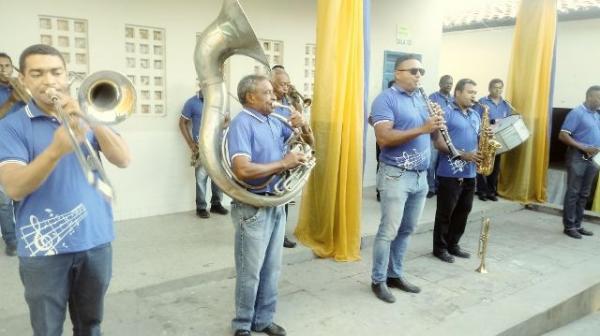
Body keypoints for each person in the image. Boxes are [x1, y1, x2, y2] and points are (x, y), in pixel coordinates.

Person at [0, 44, 131, 335]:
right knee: (47, 329)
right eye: (38, 73)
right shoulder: (11, 126)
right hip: (43, 249)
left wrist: (92, 120)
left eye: (56, 72)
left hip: (95, 239)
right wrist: (54, 151)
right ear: (23, 79)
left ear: (67, 76)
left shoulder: (87, 113)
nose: (49, 81)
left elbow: (123, 158)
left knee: (91, 325)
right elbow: (14, 188)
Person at [227, 74, 313, 336]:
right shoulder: (242, 123)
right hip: (252, 207)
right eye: (267, 93)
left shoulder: (274, 120)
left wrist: (305, 127)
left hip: (276, 203)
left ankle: (263, 319)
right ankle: (242, 324)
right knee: (250, 272)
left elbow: (309, 147)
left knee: (271, 269)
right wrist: (283, 164)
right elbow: (241, 169)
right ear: (250, 97)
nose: (274, 98)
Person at [369, 54, 445, 303]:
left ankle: (395, 274)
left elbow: (434, 138)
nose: (418, 75)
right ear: (397, 73)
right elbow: (384, 138)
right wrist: (422, 127)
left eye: (421, 71)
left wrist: (437, 129)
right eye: (413, 70)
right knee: (388, 231)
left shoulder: (424, 100)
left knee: (407, 229)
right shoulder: (385, 99)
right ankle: (378, 280)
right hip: (395, 174)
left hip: (420, 176)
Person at [432, 78, 486, 263]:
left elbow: (478, 140)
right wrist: (463, 155)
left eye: (475, 93)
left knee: (463, 211)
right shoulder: (445, 112)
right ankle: (439, 248)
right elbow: (438, 143)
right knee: (445, 213)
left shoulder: (475, 115)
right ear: (457, 93)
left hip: (470, 172)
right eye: (470, 92)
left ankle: (453, 244)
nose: (474, 96)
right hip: (449, 172)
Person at [270, 67, 306, 248]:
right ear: (272, 84)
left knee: (283, 197)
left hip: (286, 153)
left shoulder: (288, 102)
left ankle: (280, 235)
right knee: (269, 198)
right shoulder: (267, 102)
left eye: (287, 84)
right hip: (269, 156)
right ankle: (269, 234)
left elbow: (298, 123)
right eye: (282, 84)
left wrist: (298, 112)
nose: (285, 87)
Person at [558, 85, 600, 239]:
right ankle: (569, 226)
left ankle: (578, 224)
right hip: (577, 157)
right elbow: (563, 135)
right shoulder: (577, 113)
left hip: (592, 159)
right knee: (573, 192)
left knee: (584, 193)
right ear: (589, 97)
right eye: (598, 98)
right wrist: (582, 147)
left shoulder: (596, 114)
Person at [179, 87, 228, 218]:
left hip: (218, 146)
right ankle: (201, 207)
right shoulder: (192, 102)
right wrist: (190, 143)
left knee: (218, 178)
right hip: (202, 147)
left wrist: (220, 126)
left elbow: (227, 120)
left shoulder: (220, 102)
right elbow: (182, 123)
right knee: (201, 178)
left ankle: (216, 205)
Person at [0, 52, 24, 256]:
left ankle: (25, 235)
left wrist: (22, 88)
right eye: (0, 66)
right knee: (4, 201)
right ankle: (11, 241)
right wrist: (10, 101)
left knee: (23, 197)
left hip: (23, 148)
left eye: (7, 65)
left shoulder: (17, 86)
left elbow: (34, 106)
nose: (4, 69)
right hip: (1, 150)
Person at [475, 78, 511, 202]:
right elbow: (476, 119)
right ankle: (481, 191)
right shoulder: (482, 102)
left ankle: (491, 191)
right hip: (484, 138)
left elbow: (508, 121)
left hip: (498, 139)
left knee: (495, 167)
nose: (498, 90)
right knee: (482, 165)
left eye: (500, 87)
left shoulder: (506, 104)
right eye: (495, 87)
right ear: (490, 88)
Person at [426, 75, 454, 199]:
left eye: (451, 83)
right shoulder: (432, 97)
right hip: (435, 135)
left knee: (442, 163)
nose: (449, 85)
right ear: (440, 84)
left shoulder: (454, 99)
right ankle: (431, 188)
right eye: (446, 83)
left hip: (448, 136)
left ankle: (439, 186)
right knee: (431, 163)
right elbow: (427, 115)